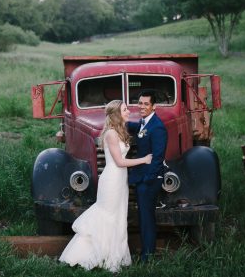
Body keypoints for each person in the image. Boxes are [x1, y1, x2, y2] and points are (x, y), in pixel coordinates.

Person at [59, 100, 152, 272]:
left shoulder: (119, 130)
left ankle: (113, 256)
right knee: (108, 216)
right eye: (125, 109)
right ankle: (94, 255)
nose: (128, 111)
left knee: (118, 217)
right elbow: (119, 161)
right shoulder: (111, 134)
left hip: (120, 180)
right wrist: (144, 160)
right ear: (117, 113)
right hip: (111, 180)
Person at [127, 90, 168, 262]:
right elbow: (139, 129)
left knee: (147, 218)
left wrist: (146, 181)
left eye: (146, 104)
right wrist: (120, 121)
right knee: (144, 216)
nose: (142, 106)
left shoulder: (157, 127)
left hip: (150, 180)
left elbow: (158, 158)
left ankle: (147, 256)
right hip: (142, 178)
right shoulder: (144, 122)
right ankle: (146, 252)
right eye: (140, 103)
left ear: (154, 106)